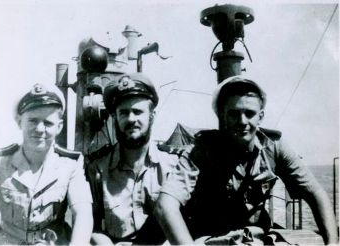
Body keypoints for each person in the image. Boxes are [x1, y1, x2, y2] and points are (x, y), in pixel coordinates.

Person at [154, 76, 338, 245]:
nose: (242, 121)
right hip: (212, 239)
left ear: (261, 117)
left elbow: (315, 192)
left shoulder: (274, 147)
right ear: (222, 117)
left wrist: (332, 244)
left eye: (249, 113)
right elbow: (165, 206)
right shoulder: (201, 151)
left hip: (257, 238)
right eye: (234, 114)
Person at [85, 73, 198, 245]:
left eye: (138, 112)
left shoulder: (175, 166)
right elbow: (90, 227)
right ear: (115, 117)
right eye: (124, 113)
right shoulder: (97, 169)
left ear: (151, 116)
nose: (131, 119)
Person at [0, 83, 93, 245]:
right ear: (19, 122)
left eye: (48, 123)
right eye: (33, 121)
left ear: (59, 127)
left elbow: (83, 212)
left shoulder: (70, 165)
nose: (39, 129)